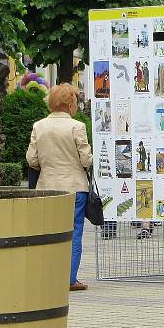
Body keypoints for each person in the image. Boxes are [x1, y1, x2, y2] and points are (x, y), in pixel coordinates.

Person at [26, 84, 93, 291]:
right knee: (74, 232)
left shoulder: (39, 126)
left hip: (47, 188)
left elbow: (31, 159)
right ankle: (70, 279)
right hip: (74, 187)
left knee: (50, 233)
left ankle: (49, 276)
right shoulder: (77, 127)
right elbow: (86, 160)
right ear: (70, 103)